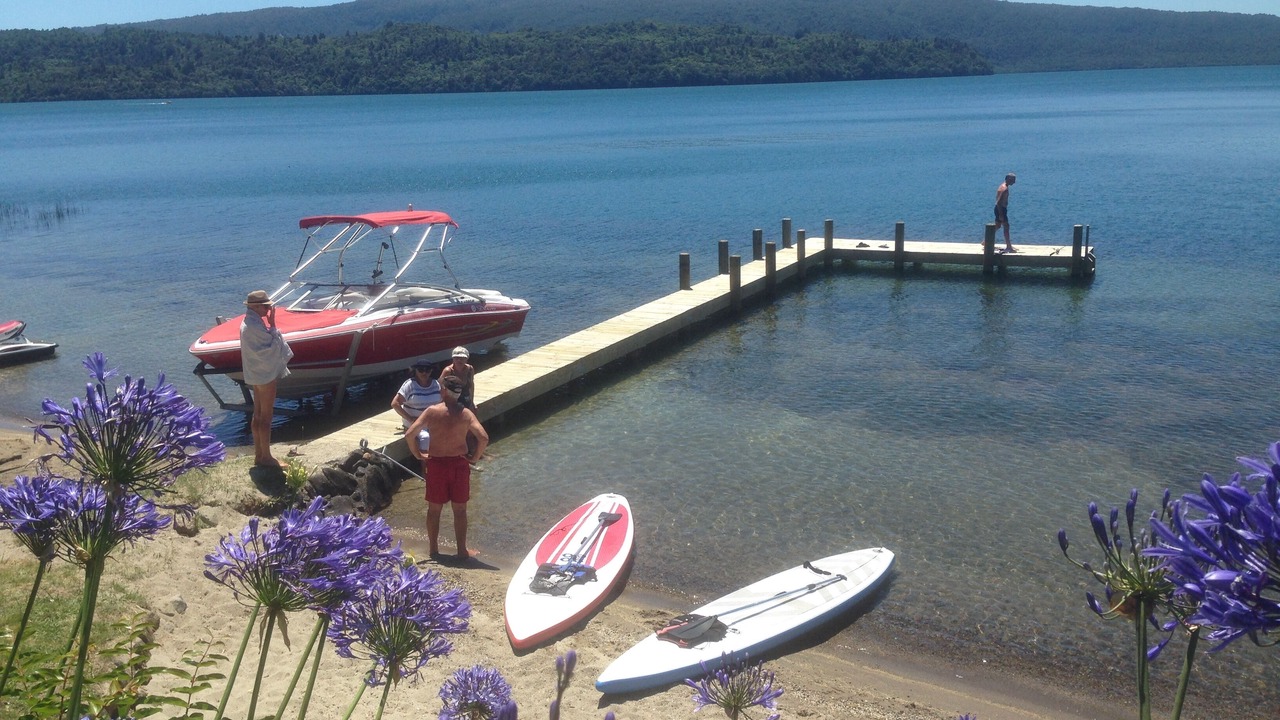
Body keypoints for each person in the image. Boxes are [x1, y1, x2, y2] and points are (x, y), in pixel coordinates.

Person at [406, 374, 489, 561]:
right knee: (460, 510)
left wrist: (418, 454)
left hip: (436, 464)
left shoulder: (432, 412)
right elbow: (483, 438)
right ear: (458, 394)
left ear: (443, 390)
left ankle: (433, 550)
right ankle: (461, 551)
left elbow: (410, 434)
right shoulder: (466, 414)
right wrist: (474, 458)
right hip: (459, 464)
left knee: (434, 510)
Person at [240, 290, 293, 467]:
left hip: (255, 375)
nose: (268, 309)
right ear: (256, 307)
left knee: (258, 415)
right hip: (264, 375)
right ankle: (267, 457)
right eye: (266, 306)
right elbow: (273, 345)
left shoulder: (248, 323)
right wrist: (273, 325)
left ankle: (259, 455)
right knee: (266, 416)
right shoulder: (255, 326)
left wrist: (270, 324)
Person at [392, 359, 441, 455]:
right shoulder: (409, 385)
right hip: (415, 421)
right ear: (415, 371)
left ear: (431, 371)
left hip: (432, 421)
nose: (424, 373)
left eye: (427, 370)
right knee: (425, 437)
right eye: (421, 370)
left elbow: (443, 401)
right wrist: (411, 419)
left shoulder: (436, 384)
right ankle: (425, 465)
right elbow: (395, 404)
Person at [994, 172, 1017, 253]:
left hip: (999, 209)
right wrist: (1001, 215)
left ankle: (986, 242)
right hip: (1001, 209)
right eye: (1013, 180)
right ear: (1008, 179)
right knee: (1006, 227)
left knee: (998, 226)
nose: (1014, 182)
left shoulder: (1003, 186)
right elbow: (998, 202)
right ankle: (1008, 247)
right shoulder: (1004, 188)